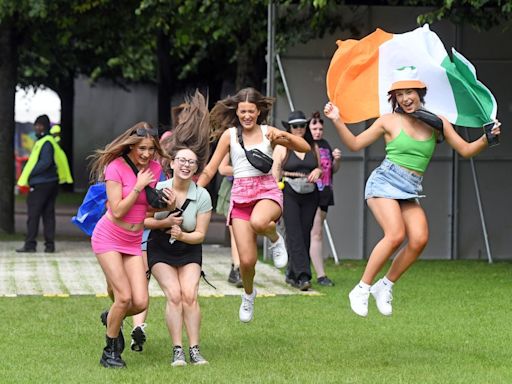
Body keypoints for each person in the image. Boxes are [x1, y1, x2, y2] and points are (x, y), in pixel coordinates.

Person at [324, 66, 502, 317]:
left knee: (419, 239)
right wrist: (336, 119)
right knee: (395, 234)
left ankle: (384, 286)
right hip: (384, 183)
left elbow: (465, 150)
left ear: (420, 93)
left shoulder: (436, 122)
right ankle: (361, 288)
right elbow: (354, 144)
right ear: (394, 98)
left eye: (410, 92)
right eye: (399, 94)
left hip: (410, 189)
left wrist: (487, 138)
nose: (405, 98)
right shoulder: (388, 120)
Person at [197, 87, 310, 323]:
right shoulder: (229, 135)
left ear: (258, 112)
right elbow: (210, 168)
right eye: (242, 112)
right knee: (247, 262)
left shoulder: (269, 132)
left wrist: (285, 136)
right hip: (240, 197)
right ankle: (249, 295)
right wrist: (195, 189)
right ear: (237, 112)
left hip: (267, 191)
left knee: (260, 222)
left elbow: (305, 148)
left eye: (251, 111)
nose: (246, 116)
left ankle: (276, 239)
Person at [88, 121, 174, 368]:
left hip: (133, 241)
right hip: (109, 237)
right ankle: (110, 353)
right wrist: (137, 186)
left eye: (151, 148)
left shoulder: (155, 168)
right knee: (124, 297)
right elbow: (116, 210)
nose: (147, 154)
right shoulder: (115, 167)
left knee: (141, 302)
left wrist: (166, 203)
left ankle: (111, 316)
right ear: (131, 147)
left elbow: (146, 205)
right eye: (141, 148)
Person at [145, 91, 212, 366]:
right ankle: (177, 351)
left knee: (190, 294)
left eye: (191, 162)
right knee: (174, 295)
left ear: (196, 168)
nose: (185, 165)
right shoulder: (158, 190)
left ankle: (195, 349)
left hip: (189, 248)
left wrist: (183, 233)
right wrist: (166, 217)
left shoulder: (202, 196)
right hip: (160, 248)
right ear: (171, 164)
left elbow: (201, 235)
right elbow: (143, 221)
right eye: (181, 161)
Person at [273, 110, 322, 291]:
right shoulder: (283, 146)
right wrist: (274, 195)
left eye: (302, 125)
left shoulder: (312, 146)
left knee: (304, 232)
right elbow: (275, 170)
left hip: (310, 192)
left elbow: (320, 167)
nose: (299, 129)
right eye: (295, 126)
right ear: (289, 128)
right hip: (288, 191)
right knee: (293, 233)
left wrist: (318, 171)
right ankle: (304, 276)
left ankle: (293, 272)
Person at [16, 115, 73, 253]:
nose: (37, 127)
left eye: (40, 125)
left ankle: (30, 245)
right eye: (36, 125)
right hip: (50, 183)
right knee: (48, 214)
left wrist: (30, 173)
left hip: (41, 184)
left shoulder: (45, 142)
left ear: (46, 127)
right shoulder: (49, 141)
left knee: (33, 214)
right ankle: (49, 246)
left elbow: (45, 162)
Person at [308, 111, 342, 287]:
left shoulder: (326, 144)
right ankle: (320, 275)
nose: (318, 131)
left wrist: (337, 160)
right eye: (314, 127)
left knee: (317, 232)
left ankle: (312, 272)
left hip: (326, 192)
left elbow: (332, 170)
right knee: (316, 233)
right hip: (311, 192)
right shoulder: (306, 145)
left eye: (321, 128)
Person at [217, 153, 243, 288]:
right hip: (232, 189)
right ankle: (238, 269)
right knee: (236, 232)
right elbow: (222, 168)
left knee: (248, 232)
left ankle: (237, 268)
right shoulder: (232, 140)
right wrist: (246, 170)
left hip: (252, 189)